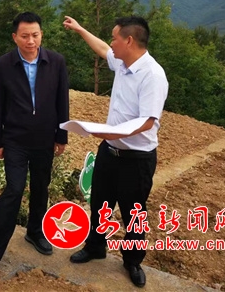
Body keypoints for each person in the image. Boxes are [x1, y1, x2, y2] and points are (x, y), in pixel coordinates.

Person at [63, 15, 169, 288]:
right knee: (100, 203)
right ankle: (95, 246)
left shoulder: (153, 75)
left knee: (134, 212)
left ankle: (132, 261)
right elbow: (102, 49)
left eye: (114, 38)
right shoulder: (123, 63)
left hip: (137, 158)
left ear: (129, 40)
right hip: (109, 152)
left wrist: (109, 133)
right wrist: (80, 29)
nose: (111, 43)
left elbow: (147, 121)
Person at [0, 12, 69, 281]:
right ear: (15, 37)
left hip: (44, 139)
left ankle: (35, 231)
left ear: (42, 35)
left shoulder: (56, 62)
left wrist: (61, 135)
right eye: (25, 36)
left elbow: (62, 100)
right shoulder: (4, 65)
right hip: (15, 140)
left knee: (41, 186)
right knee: (14, 190)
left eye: (35, 35)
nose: (31, 41)